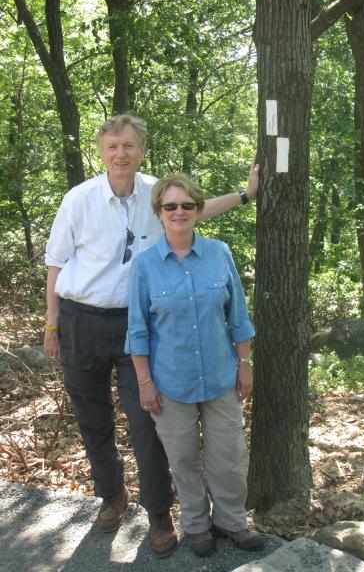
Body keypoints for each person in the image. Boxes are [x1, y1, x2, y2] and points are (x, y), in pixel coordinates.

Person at [44, 114, 258, 558]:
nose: (120, 153)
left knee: (148, 422)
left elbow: (193, 208)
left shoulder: (155, 193)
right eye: (112, 146)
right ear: (100, 151)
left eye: (129, 145)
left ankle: (158, 513)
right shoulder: (78, 199)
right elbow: (56, 263)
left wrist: (244, 195)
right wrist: (52, 323)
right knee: (92, 418)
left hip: (138, 323)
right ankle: (111, 494)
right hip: (82, 319)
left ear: (141, 150)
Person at [125, 174, 264, 558]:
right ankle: (197, 525)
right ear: (159, 212)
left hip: (221, 378)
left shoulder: (220, 253)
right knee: (183, 461)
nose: (179, 212)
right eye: (171, 206)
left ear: (198, 210)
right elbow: (137, 332)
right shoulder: (145, 266)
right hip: (170, 384)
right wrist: (145, 382)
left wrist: (245, 364)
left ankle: (232, 522)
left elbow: (239, 316)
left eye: (187, 205)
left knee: (229, 458)